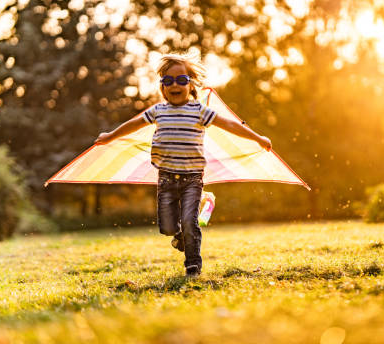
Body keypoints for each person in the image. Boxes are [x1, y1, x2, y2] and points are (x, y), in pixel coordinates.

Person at [95, 52, 271, 277]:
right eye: (168, 81)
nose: (174, 85)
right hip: (166, 178)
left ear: (191, 84)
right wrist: (110, 136)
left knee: (189, 222)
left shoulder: (199, 111)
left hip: (192, 179)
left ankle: (193, 266)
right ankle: (180, 235)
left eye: (181, 80)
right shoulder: (158, 111)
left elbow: (230, 124)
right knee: (167, 227)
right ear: (162, 86)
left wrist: (257, 137)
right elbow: (134, 124)